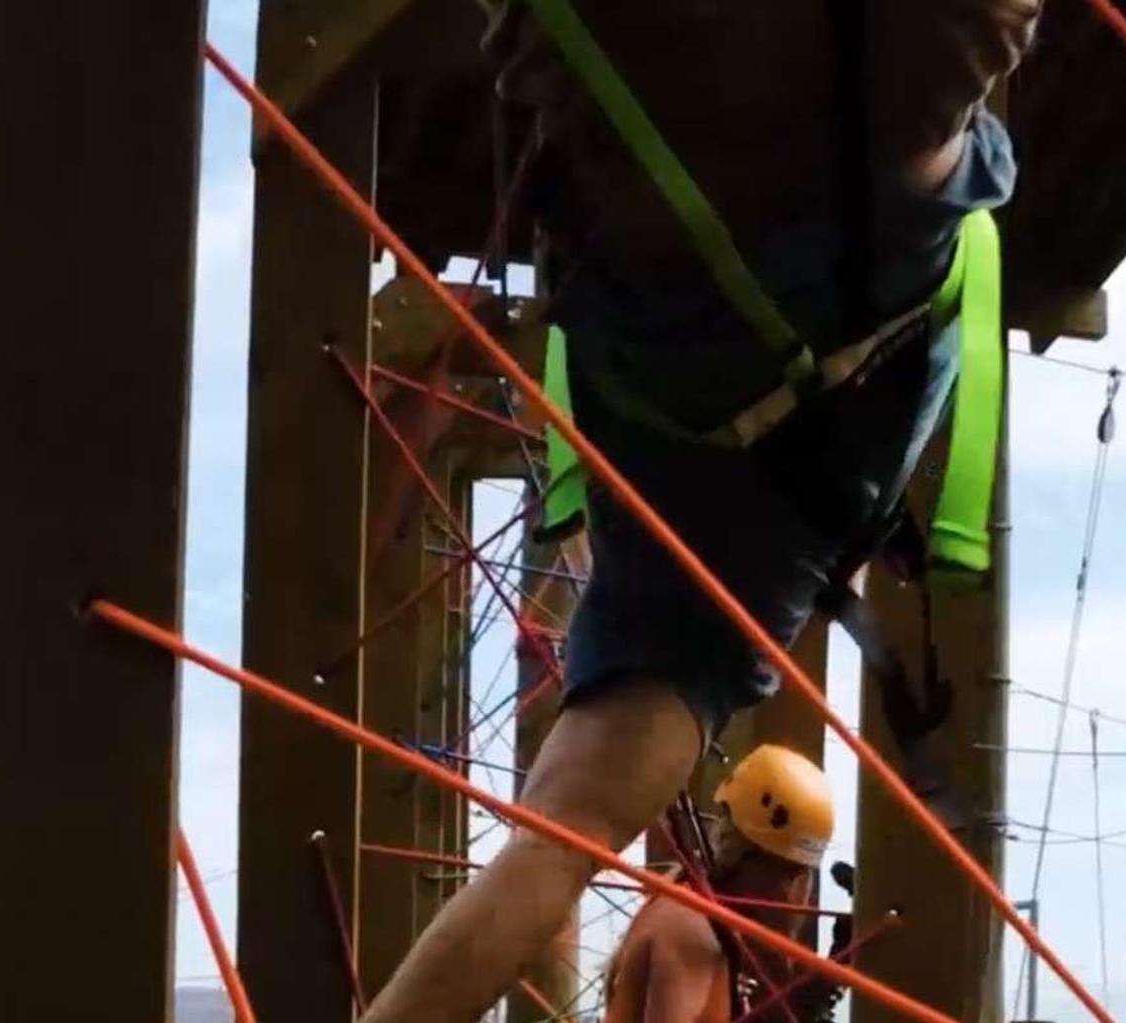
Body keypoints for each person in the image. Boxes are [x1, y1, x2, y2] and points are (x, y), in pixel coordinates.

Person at [359, 2, 1041, 1019]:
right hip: (675, 152)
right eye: (793, 885)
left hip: (855, 176)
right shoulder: (708, 654)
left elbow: (550, 852)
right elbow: (553, 852)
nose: (792, 905)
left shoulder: (708, 619)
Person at [603, 746, 835, 1023]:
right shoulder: (690, 927)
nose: (798, 896)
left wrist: (825, 981)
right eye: (788, 874)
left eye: (804, 876)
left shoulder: (730, 926)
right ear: (744, 855)